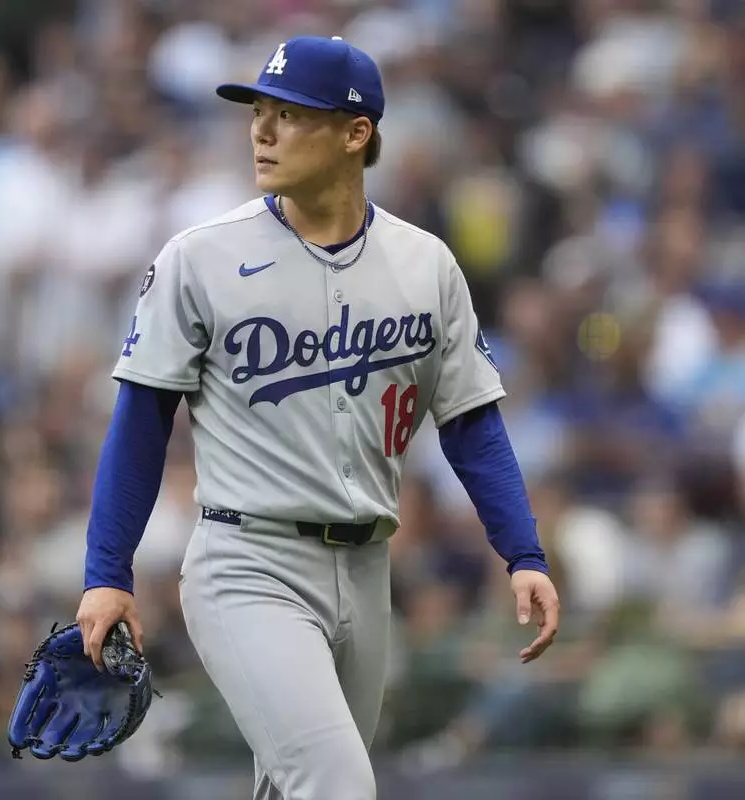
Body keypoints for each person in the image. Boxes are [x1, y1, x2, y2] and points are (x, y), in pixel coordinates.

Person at [74, 35, 561, 799]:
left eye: (290, 115)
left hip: (367, 571)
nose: (262, 132)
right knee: (335, 785)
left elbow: (470, 423)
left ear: (355, 133)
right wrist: (108, 572)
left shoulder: (425, 264)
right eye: (258, 113)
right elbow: (140, 422)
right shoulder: (200, 258)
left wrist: (522, 552)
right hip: (248, 562)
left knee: (297, 787)